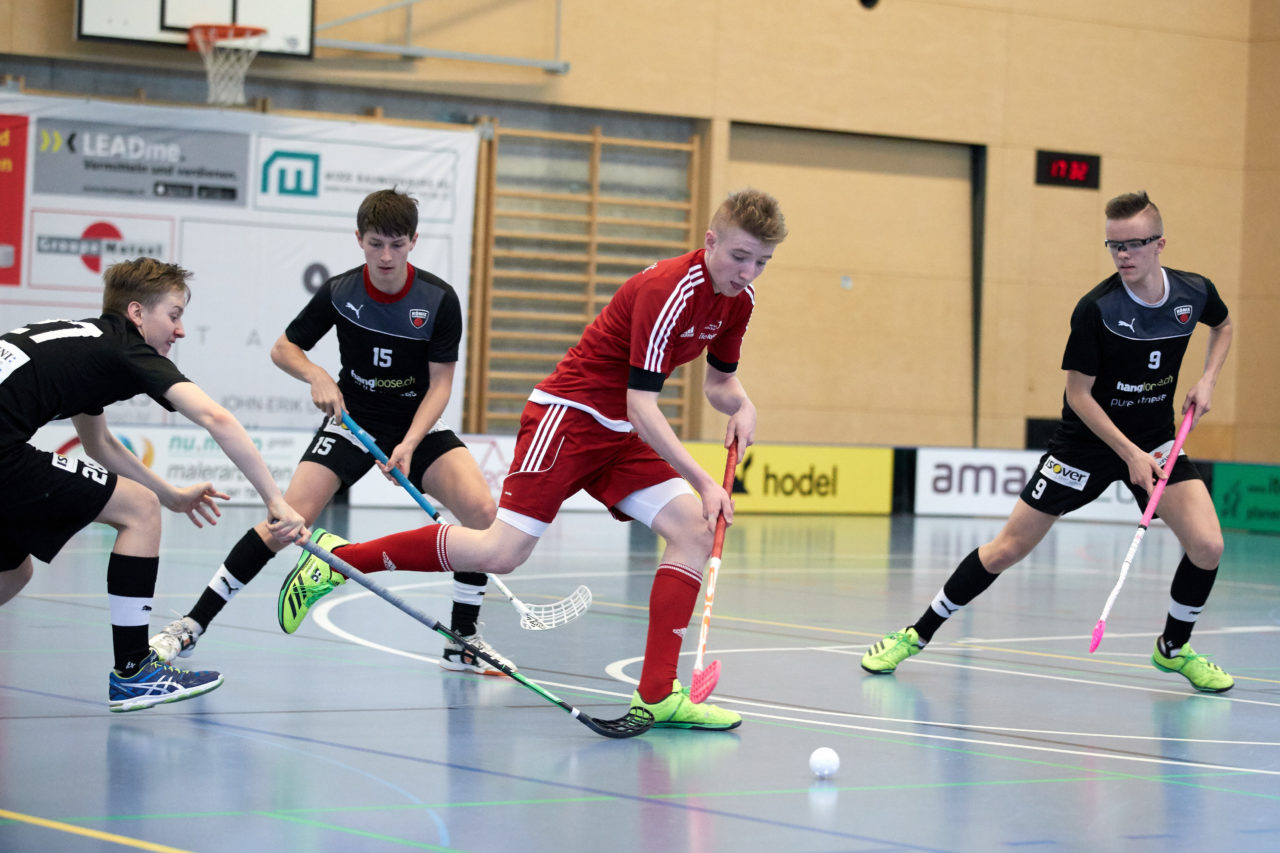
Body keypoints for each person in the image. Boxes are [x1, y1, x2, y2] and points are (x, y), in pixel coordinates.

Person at [277, 188, 788, 730]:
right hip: (567, 419)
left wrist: (744, 404)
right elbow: (643, 405)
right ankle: (340, 558)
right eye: (739, 256)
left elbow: (719, 383)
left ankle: (658, 695)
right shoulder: (671, 290)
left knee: (691, 529)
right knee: (500, 552)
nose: (748, 271)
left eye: (762, 262)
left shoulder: (740, 301)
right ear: (711, 242)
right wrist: (706, 480)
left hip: (616, 433)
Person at [861, 190, 1235, 693]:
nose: (1123, 255)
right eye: (1113, 246)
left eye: (1134, 245)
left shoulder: (1193, 292)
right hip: (1085, 445)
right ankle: (915, 634)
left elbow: (1224, 324)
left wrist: (1208, 378)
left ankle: (1173, 647)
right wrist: (1129, 456)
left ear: (1160, 243)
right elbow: (1078, 395)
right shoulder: (1097, 309)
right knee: (1007, 548)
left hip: (1156, 441)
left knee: (1208, 545)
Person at [148, 189, 514, 675]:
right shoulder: (341, 291)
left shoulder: (439, 300)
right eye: (376, 244)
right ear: (359, 239)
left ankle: (462, 639)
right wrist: (316, 375)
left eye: (397, 245)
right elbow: (284, 349)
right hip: (351, 423)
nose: (386, 256)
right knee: (286, 521)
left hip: (415, 425)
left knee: (482, 513)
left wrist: (407, 444)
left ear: (414, 242)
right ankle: (191, 626)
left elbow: (441, 386)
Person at [0, 257, 306, 711]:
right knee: (138, 510)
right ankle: (134, 672)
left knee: (13, 569)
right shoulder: (126, 349)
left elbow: (99, 443)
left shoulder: (87, 343)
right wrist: (275, 500)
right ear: (137, 313)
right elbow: (216, 418)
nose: (180, 331)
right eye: (175, 315)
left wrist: (172, 496)